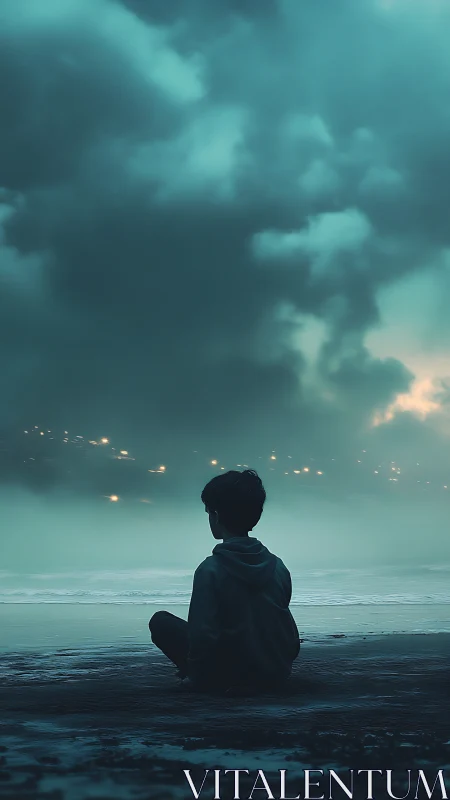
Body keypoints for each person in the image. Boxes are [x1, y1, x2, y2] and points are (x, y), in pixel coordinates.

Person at [149, 468, 300, 692]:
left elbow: (203, 635)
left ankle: (203, 678)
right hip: (274, 672)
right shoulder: (278, 566)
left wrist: (197, 677)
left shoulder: (210, 569)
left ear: (216, 516)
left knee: (160, 622)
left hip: (228, 675)